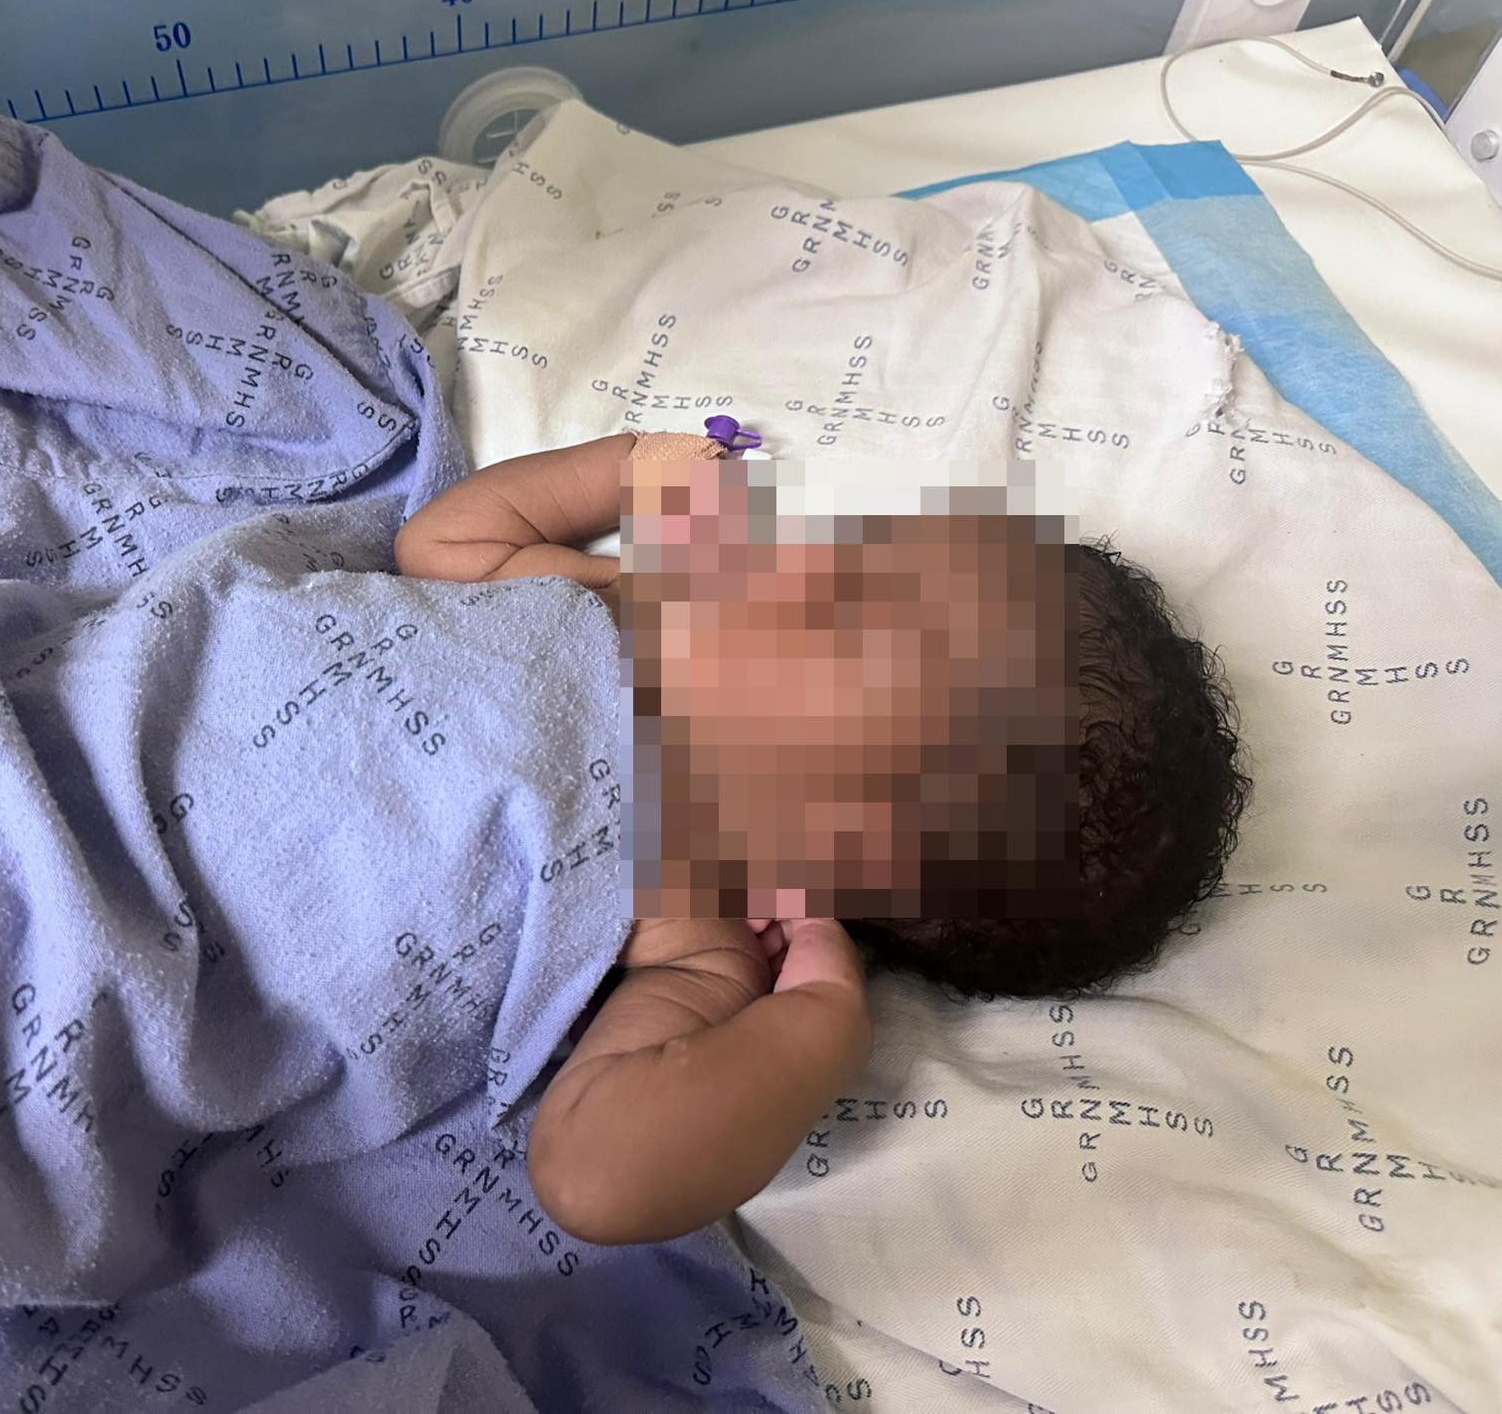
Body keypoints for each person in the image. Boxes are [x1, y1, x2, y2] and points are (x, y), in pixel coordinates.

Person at [395, 427, 1250, 1245]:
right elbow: (441, 544)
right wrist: (636, 469)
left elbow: (594, 1177)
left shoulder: (689, 925)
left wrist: (817, 1028)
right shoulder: (620, 606)